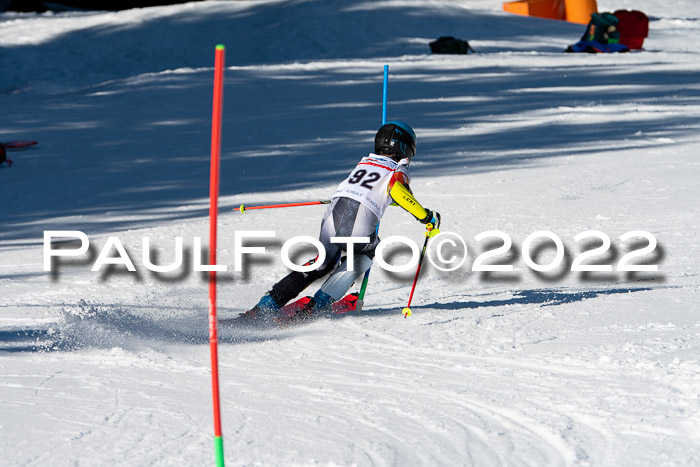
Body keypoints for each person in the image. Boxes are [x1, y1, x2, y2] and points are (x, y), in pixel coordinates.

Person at [240, 121, 441, 322]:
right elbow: (396, 190)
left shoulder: (366, 162)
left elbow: (380, 192)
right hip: (358, 221)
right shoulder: (398, 168)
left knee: (323, 263)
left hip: (333, 216)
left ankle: (267, 305)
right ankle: (317, 307)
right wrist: (425, 216)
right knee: (368, 251)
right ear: (405, 147)